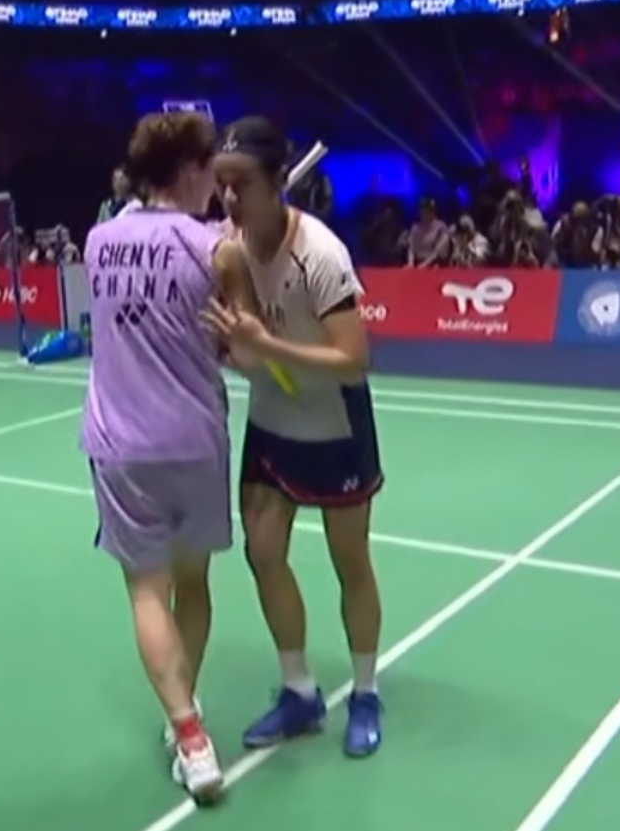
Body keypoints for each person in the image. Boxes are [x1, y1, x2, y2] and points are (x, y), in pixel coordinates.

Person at [80, 110, 254, 804]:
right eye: (211, 169)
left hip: (120, 445)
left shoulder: (97, 240)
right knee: (192, 586)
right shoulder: (215, 250)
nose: (218, 183)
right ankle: (186, 719)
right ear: (188, 170)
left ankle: (189, 734)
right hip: (193, 441)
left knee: (145, 593)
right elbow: (236, 350)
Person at [203, 116, 385, 758]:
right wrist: (237, 350)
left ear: (278, 180)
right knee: (262, 552)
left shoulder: (321, 255)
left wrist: (266, 345)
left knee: (349, 562)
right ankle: (299, 691)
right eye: (222, 185)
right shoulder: (230, 249)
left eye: (243, 185)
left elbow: (353, 361)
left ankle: (365, 693)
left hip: (333, 421)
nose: (230, 198)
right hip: (272, 419)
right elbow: (245, 350)